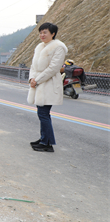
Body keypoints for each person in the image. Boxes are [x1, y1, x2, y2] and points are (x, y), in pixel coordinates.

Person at [27, 22, 67, 153]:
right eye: (40, 32)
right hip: (39, 84)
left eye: (45, 32)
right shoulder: (39, 47)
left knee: (43, 113)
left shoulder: (58, 47)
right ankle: (44, 139)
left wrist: (37, 80)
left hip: (49, 84)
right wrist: (32, 79)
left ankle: (47, 143)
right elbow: (33, 66)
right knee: (42, 113)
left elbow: (53, 68)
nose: (42, 35)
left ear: (53, 33)